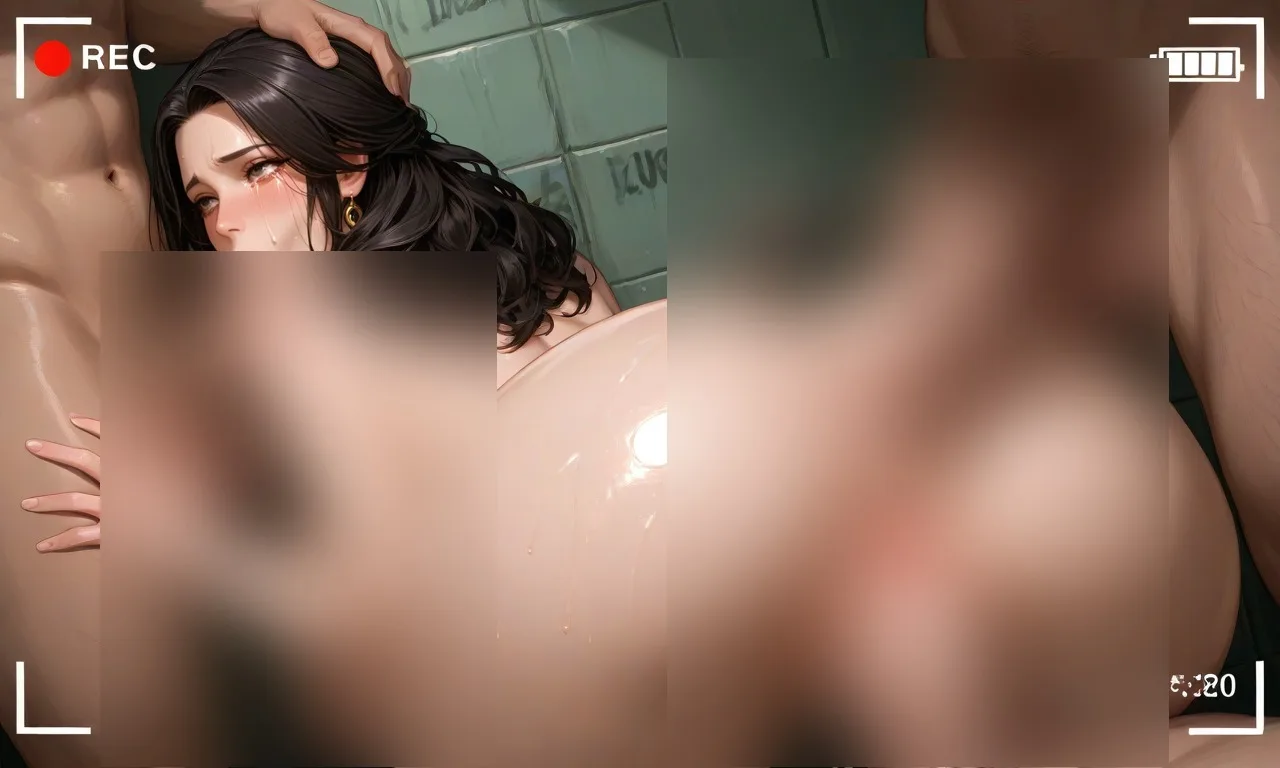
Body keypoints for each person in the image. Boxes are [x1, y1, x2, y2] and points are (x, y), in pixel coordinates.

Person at [0, 1, 405, 764]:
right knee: (130, 718)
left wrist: (259, 12)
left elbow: (99, 21)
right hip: (19, 305)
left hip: (155, 282)